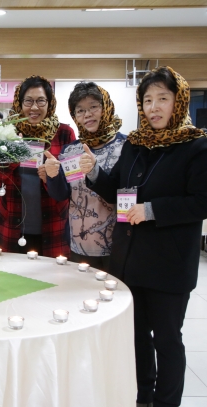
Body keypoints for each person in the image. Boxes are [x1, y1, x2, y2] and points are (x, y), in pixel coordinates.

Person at [80, 67, 207, 407]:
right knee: (136, 336)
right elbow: (117, 191)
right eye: (147, 100)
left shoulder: (196, 146)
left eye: (162, 99)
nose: (154, 107)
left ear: (178, 102)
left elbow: (205, 202)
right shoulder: (136, 144)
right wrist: (93, 171)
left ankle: (166, 402)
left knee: (167, 340)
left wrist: (152, 209)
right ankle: (142, 397)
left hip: (169, 263)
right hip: (130, 260)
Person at [44, 83, 126, 272]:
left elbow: (124, 193)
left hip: (117, 244)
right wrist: (52, 175)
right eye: (80, 110)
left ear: (106, 108)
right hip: (79, 242)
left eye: (93, 107)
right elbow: (61, 195)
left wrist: (95, 172)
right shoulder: (70, 150)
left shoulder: (126, 146)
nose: (87, 114)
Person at [0, 75, 75, 257]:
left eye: (41, 101)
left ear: (50, 103)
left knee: (52, 274)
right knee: (9, 273)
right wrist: (15, 154)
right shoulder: (6, 133)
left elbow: (72, 181)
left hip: (53, 221)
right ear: (19, 103)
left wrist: (53, 176)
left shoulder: (63, 133)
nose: (34, 107)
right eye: (28, 101)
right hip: (10, 220)